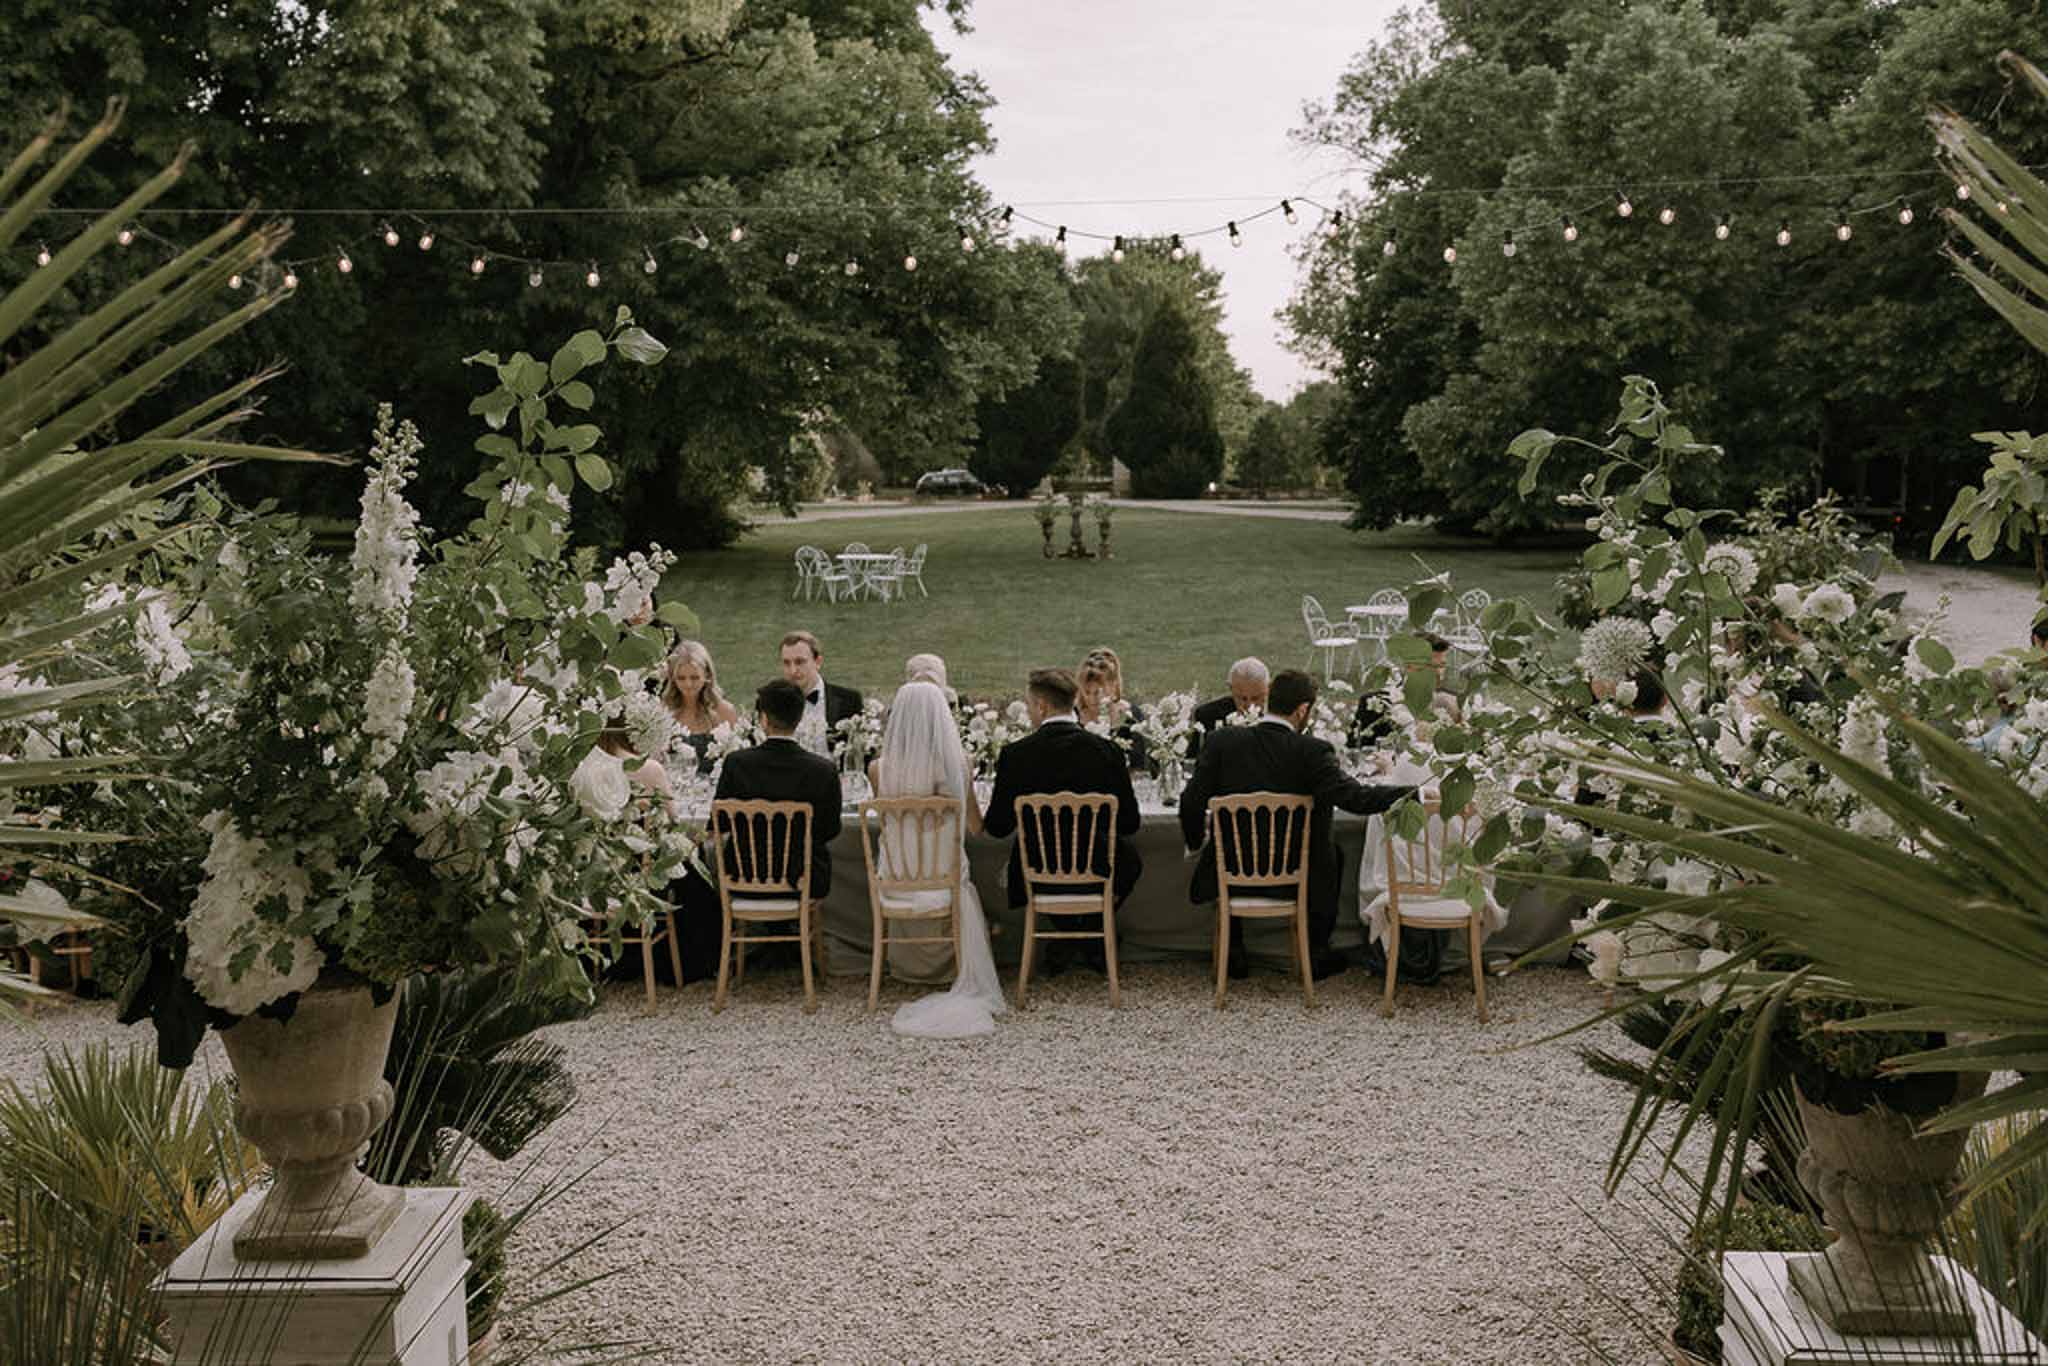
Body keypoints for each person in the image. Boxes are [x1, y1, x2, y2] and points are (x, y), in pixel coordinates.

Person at [1180, 668, 1415, 980]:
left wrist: (1197, 844)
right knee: (1332, 852)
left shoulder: (1222, 742)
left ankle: (1233, 948)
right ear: (1303, 709)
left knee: (1229, 850)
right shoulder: (1312, 752)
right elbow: (1355, 799)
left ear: (1269, 701)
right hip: (1297, 876)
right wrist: (1414, 792)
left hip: (1231, 873)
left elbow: (1190, 802)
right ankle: (1315, 951)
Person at [867, 681, 1004, 1036]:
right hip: (945, 886)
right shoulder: (958, 764)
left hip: (894, 886)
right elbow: (975, 828)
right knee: (961, 872)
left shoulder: (878, 770)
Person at [983, 667, 1142, 971]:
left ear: (1042, 706)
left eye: (1030, 706)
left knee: (1025, 858)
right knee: (1130, 859)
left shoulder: (1016, 755)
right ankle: (1091, 937)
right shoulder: (1107, 751)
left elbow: (998, 827)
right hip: (1100, 865)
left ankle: (1070, 939)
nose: (1030, 712)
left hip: (1037, 868)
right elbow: (1130, 823)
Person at [713, 678, 843, 902]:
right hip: (805, 880)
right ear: (800, 718)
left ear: (763, 719)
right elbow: (830, 830)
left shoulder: (737, 763)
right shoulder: (823, 770)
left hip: (744, 877)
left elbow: (720, 822)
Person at [1351, 633, 1461, 748]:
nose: (1439, 672)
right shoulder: (1375, 703)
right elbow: (1355, 755)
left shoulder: (1452, 705)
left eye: (1441, 666)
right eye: (1431, 666)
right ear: (1409, 666)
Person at [662, 640, 739, 774]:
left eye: (695, 677)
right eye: (681, 678)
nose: (688, 684)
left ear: (707, 675)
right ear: (673, 678)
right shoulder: (664, 711)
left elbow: (737, 761)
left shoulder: (725, 711)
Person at [779, 629, 862, 755]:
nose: (793, 671)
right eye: (786, 663)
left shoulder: (849, 700)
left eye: (799, 662)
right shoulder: (772, 702)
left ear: (818, 662)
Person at [1187, 657, 1269, 759]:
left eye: (1256, 698)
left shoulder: (1281, 716)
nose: (1249, 706)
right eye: (1242, 698)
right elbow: (1193, 759)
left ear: (1268, 690)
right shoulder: (1208, 716)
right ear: (1231, 689)